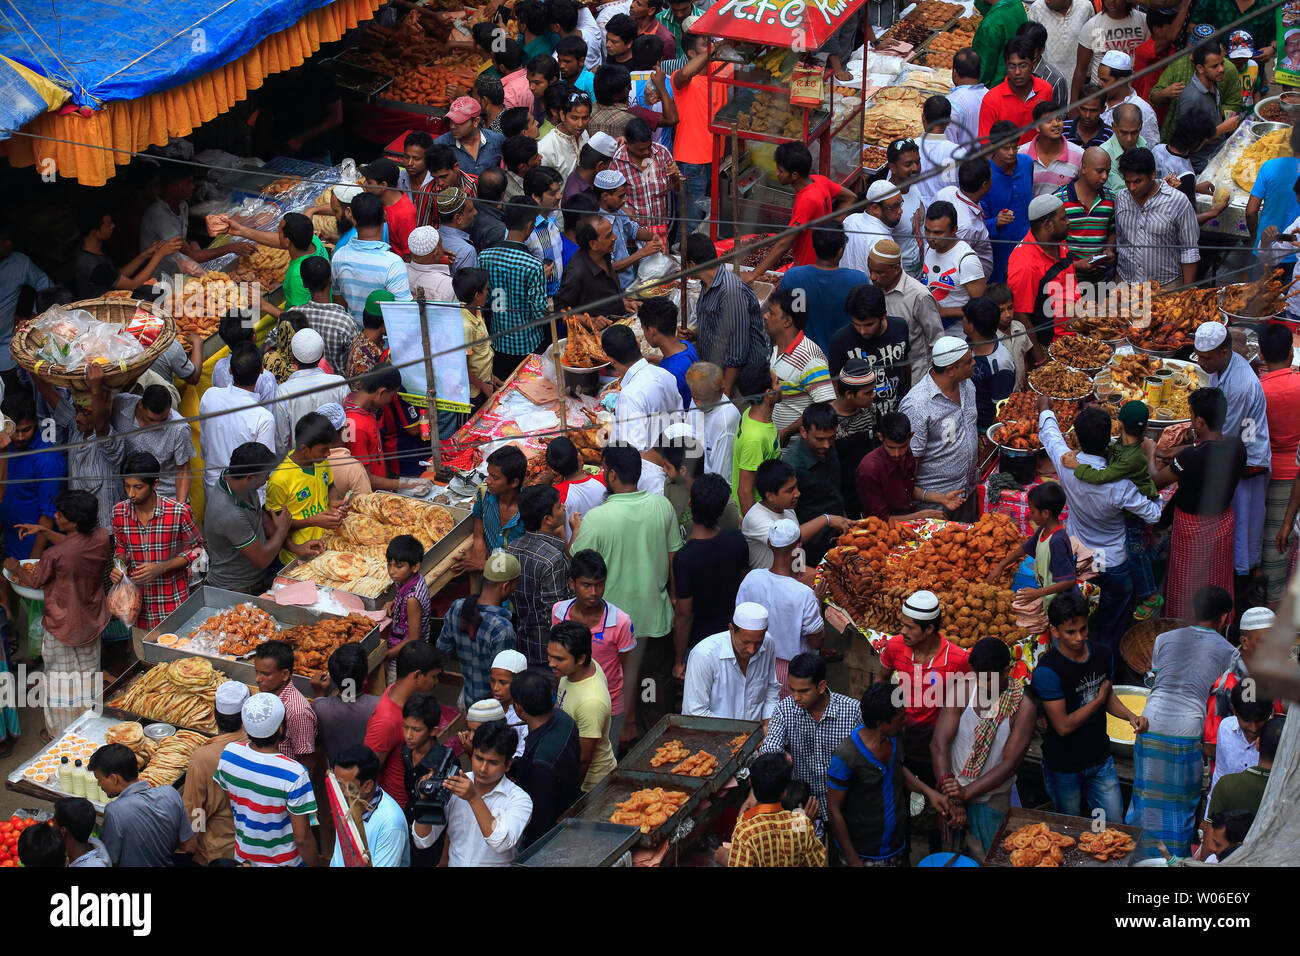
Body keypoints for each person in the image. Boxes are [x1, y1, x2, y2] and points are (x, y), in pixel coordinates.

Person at [1037, 395, 1163, 652]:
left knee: (1084, 618)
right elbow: (1153, 515)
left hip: (1082, 559)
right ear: (1109, 438)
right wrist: (1157, 498)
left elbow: (1050, 436)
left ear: (1078, 439)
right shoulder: (1121, 485)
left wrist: (1045, 410)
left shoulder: (1066, 464)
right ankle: (1106, 667)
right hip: (1114, 564)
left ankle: (1081, 657)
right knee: (1110, 627)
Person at [571, 443, 680, 734]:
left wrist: (572, 531)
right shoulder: (662, 506)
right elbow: (674, 561)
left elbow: (576, 561)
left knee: (614, 694)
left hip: (614, 629)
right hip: (655, 622)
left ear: (612, 474)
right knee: (653, 691)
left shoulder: (596, 519)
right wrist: (674, 598)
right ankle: (655, 743)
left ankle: (624, 749)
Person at [1127, 585, 1237, 858]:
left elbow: (1153, 681)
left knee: (1145, 798)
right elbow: (1220, 702)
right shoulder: (1228, 652)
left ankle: (1138, 859)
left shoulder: (1164, 638)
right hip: (1187, 730)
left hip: (1150, 722)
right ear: (1224, 618)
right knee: (1179, 806)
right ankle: (1173, 862)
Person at [1031, 591, 1145, 826]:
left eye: (1083, 629)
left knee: (1112, 824)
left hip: (1100, 760)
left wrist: (1131, 717)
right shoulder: (1047, 671)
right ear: (1055, 631)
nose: (1079, 637)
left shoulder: (1102, 654)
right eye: (1070, 632)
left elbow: (1109, 697)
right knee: (1071, 826)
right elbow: (1062, 726)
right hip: (1064, 767)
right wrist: (1097, 700)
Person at [4, 491, 109, 737]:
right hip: (92, 619)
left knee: (60, 683)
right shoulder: (102, 537)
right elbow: (76, 544)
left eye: (60, 514)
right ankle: (89, 729)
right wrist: (42, 531)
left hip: (63, 625)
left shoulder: (54, 555)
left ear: (72, 522)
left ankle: (60, 734)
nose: (55, 516)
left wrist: (14, 566)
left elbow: (34, 581)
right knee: (87, 678)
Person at [827, 681, 956, 866]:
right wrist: (852, 858)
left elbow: (898, 770)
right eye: (900, 718)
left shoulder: (894, 738)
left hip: (896, 847)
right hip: (864, 854)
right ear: (881, 723)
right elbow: (834, 810)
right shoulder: (845, 756)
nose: (906, 721)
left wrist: (929, 792)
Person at [932, 638, 1038, 856]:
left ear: (1006, 672)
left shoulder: (1023, 708)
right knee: (952, 857)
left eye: (988, 679)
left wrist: (966, 793)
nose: (981, 685)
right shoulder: (964, 689)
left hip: (991, 800)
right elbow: (939, 744)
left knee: (988, 856)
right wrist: (952, 795)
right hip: (953, 795)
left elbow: (1008, 766)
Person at [1150, 387, 1247, 620]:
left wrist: (1149, 451)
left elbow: (1155, 482)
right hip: (1221, 523)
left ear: (1201, 422)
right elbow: (1206, 448)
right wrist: (1177, 451)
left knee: (1185, 583)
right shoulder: (1237, 447)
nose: (1191, 421)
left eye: (1192, 417)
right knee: (1217, 576)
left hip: (1192, 529)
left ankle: (1183, 625)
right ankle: (1219, 621)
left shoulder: (1191, 459)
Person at [1196, 322, 1271, 591]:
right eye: (1199, 357)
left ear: (1224, 352)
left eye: (1206, 358)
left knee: (1243, 525)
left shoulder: (1239, 386)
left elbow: (1221, 434)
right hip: (1234, 453)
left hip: (1248, 460)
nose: (1201, 363)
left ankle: (1242, 580)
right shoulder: (1223, 366)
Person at [213, 692, 320, 866]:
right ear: (280, 729)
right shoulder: (295, 773)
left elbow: (232, 806)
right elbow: (302, 838)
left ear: (246, 727)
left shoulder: (229, 754)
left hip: (244, 858)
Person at [760, 652, 860, 835]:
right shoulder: (784, 710)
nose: (796, 697)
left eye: (803, 691)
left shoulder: (852, 711)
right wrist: (780, 761)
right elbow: (770, 750)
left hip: (845, 804)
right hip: (802, 806)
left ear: (821, 686)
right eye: (792, 689)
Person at [412, 723, 532, 866]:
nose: (482, 768)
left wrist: (474, 798)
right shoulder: (454, 785)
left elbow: (501, 843)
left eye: (493, 762)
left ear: (507, 765)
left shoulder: (519, 800)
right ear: (472, 753)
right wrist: (426, 801)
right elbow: (423, 840)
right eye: (479, 758)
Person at [110, 451, 204, 630]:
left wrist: (162, 567)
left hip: (172, 603)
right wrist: (119, 567)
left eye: (138, 487)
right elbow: (121, 549)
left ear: (155, 483)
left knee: (176, 656)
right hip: (137, 607)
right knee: (144, 654)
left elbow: (197, 550)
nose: (131, 494)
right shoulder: (119, 513)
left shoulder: (178, 512)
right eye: (127, 486)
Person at [552, 549, 636, 745]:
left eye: (599, 585)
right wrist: (559, 699)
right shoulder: (559, 612)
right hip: (570, 703)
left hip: (609, 707)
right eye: (586, 585)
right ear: (572, 584)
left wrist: (629, 720)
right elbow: (557, 661)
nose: (594, 592)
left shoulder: (620, 622)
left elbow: (630, 671)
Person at [672, 471, 749, 671]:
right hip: (732, 639)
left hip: (699, 645)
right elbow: (743, 584)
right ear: (722, 509)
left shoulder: (684, 558)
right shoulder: (737, 540)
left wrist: (679, 660)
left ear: (690, 504)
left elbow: (684, 615)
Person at [737, 519, 823, 696]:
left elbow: (739, 625)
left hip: (755, 665)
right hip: (793, 674)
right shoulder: (804, 594)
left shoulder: (751, 579)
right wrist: (818, 601)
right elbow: (817, 641)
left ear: (769, 543)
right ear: (798, 546)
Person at [745, 141, 856, 278]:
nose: (776, 173)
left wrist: (754, 274)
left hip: (809, 268)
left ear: (794, 175)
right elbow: (850, 197)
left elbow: (785, 242)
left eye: (780, 170)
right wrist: (831, 226)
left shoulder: (807, 200)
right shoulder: (820, 181)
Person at [898, 335, 977, 518]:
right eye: (968, 361)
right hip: (935, 503)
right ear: (951, 370)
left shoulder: (967, 385)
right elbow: (909, 464)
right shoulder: (917, 405)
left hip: (968, 492)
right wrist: (929, 499)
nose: (973, 363)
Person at [686, 234, 769, 397]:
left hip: (738, 381)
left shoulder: (731, 292)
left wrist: (726, 392)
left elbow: (737, 351)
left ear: (691, 265)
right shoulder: (707, 284)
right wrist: (695, 333)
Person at [508, 668, 582, 847]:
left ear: (518, 708)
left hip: (549, 836)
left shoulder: (540, 764)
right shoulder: (564, 719)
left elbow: (538, 820)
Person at [478, 196, 548, 381]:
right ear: (530, 225)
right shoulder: (533, 265)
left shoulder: (484, 257)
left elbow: (484, 300)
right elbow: (539, 312)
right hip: (527, 344)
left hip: (497, 341)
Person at [90, 742, 195, 866]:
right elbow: (189, 846)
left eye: (99, 779)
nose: (99, 785)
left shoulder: (115, 812)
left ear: (114, 778)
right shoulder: (170, 793)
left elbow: (110, 860)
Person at [365, 641, 442, 809]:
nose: (436, 682)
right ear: (417, 676)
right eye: (433, 676)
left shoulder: (398, 692)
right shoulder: (387, 721)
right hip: (399, 806)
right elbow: (367, 772)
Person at [987, 480, 1080, 616]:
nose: (1030, 515)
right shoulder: (1043, 530)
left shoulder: (1056, 541)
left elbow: (1068, 581)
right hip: (1051, 599)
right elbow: (1025, 548)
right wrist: (1000, 565)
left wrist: (1037, 593)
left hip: (1065, 606)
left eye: (1033, 511)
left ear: (1046, 514)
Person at [265, 411, 344, 567]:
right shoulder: (280, 480)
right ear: (304, 449)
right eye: (323, 449)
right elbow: (274, 527)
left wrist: (334, 502)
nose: (328, 454)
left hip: (326, 547)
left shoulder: (320, 461)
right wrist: (313, 521)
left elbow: (330, 486)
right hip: (297, 556)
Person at [182, 681, 248, 865]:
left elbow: (195, 807)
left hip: (216, 850)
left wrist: (192, 842)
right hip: (251, 847)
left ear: (214, 715)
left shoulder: (203, 757)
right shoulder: (259, 745)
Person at [1115, 147, 1200, 288]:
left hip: (1165, 287)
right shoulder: (1121, 198)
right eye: (1127, 182)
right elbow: (1120, 239)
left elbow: (1189, 250)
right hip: (1126, 285)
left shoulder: (1177, 201)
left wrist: (1187, 292)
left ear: (1153, 175)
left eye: (1137, 181)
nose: (1132, 188)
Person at [438, 550, 520, 696]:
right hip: (491, 707)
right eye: (514, 585)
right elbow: (503, 680)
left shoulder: (457, 607)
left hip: (468, 696)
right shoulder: (502, 629)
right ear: (506, 586)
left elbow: (443, 648)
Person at [507, 485, 573, 664]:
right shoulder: (553, 560)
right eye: (559, 507)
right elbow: (556, 613)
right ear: (548, 519)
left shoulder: (513, 547)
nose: (564, 509)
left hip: (523, 641)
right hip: (547, 651)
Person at [198, 341, 275, 493]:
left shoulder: (210, 396)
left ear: (230, 370)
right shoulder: (263, 418)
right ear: (261, 370)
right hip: (246, 495)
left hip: (214, 485)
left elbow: (204, 443)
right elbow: (264, 469)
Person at [741, 459, 847, 570]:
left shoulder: (787, 509)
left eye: (796, 487)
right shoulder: (756, 518)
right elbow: (788, 540)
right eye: (790, 490)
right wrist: (826, 519)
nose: (797, 493)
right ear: (770, 496)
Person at [683, 602, 780, 723]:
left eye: (758, 643)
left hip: (755, 734)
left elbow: (771, 688)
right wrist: (738, 734)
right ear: (731, 630)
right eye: (745, 642)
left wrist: (768, 721)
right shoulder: (704, 655)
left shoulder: (768, 643)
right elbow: (694, 713)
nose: (752, 650)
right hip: (711, 736)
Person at [548, 621, 618, 789]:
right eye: (549, 656)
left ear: (581, 658)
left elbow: (583, 760)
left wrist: (569, 795)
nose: (551, 663)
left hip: (592, 786)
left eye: (559, 659)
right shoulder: (576, 669)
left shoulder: (591, 703)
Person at [726, 751, 827, 867]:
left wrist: (725, 858)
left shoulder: (744, 832)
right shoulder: (801, 823)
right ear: (784, 793)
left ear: (750, 783)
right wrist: (810, 823)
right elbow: (815, 861)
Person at [1258, 326, 1300, 602]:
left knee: (1276, 545)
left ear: (1261, 354)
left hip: (1275, 475)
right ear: (1291, 353)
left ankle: (1272, 603)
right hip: (1296, 473)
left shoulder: (1259, 390)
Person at [856, 411, 958, 522]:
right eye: (891, 447)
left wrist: (942, 498)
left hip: (907, 520)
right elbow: (879, 520)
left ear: (911, 436)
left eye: (902, 447)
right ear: (880, 437)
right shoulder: (869, 470)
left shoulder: (907, 455)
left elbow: (905, 489)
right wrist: (923, 515)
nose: (897, 454)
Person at [0, 392, 67, 562]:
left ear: (36, 423)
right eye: (15, 431)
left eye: (26, 430)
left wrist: (33, 562)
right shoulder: (5, 447)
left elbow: (47, 517)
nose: (20, 437)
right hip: (11, 539)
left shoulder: (47, 459)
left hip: (34, 546)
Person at [764, 288, 836, 441]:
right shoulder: (774, 348)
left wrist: (786, 432)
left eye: (771, 313)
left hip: (796, 450)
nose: (765, 316)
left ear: (788, 321)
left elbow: (826, 406)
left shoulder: (810, 358)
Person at [1007, 193, 1078, 343]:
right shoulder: (1025, 264)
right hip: (1053, 345)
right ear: (1048, 225)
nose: (1068, 222)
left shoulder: (1058, 240)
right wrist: (1040, 360)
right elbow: (1021, 316)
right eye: (1063, 218)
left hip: (1076, 332)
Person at [330, 192, 411, 324]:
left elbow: (340, 303)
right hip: (384, 341)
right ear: (384, 216)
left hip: (354, 337)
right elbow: (402, 313)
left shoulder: (338, 257)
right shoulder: (393, 264)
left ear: (351, 216)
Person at [782, 403, 847, 565]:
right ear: (803, 432)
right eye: (820, 439)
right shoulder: (792, 466)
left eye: (831, 438)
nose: (826, 445)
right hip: (811, 549)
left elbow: (835, 490)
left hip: (838, 537)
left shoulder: (827, 447)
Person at [270, 329, 348, 458]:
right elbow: (348, 426)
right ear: (322, 354)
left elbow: (281, 441)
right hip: (337, 457)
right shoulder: (339, 383)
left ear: (293, 357)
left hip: (303, 463)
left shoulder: (284, 391)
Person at [327, 746, 409, 867]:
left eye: (346, 786)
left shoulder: (391, 823)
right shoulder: (344, 801)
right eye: (337, 783)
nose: (339, 790)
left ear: (368, 786)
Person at [603, 323, 681, 449]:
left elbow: (633, 450)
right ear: (638, 344)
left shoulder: (629, 396)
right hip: (673, 452)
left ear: (611, 360)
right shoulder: (666, 375)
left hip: (651, 463)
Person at [73, 206, 179, 298]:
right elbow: (133, 285)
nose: (113, 226)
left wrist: (145, 254)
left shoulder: (93, 252)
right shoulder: (92, 264)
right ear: (94, 233)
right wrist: (159, 255)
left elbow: (118, 275)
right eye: (108, 225)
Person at [1055, 146, 1117, 285]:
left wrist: (1109, 248)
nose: (1104, 177)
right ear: (1083, 168)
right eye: (1100, 171)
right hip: (1068, 282)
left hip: (1101, 281)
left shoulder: (1110, 198)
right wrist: (1076, 265)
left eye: (1107, 172)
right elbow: (1050, 245)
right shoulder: (1060, 200)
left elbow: (1112, 231)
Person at [461, 445, 527, 575]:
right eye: (488, 474)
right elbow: (478, 515)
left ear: (514, 482)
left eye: (495, 477)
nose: (488, 481)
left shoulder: (529, 511)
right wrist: (479, 540)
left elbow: (527, 559)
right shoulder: (484, 491)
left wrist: (485, 565)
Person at [1204, 716, 1283, 824]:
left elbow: (1210, 835)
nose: (1253, 729)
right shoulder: (1289, 790)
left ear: (1258, 744)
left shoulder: (1226, 786)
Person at [311, 644, 380, 766]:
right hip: (368, 775)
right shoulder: (378, 705)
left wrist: (319, 692)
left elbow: (318, 706)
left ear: (331, 677)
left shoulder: (321, 708)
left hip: (338, 776)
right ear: (365, 676)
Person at [984, 118, 1035, 283]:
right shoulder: (985, 176)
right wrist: (995, 222)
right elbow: (977, 223)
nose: (1011, 152)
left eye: (1015, 147)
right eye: (1006, 148)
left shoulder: (1027, 163)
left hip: (1028, 246)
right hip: (999, 252)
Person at [978, 38, 1054, 147]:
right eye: (1012, 66)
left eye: (1023, 66)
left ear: (1033, 65)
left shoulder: (1045, 90)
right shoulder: (991, 99)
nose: (1017, 72)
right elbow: (986, 146)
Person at [611, 118, 679, 241]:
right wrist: (622, 209)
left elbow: (676, 189)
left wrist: (676, 178)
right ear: (627, 144)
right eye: (640, 149)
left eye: (649, 146)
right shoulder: (616, 162)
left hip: (660, 231)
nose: (646, 152)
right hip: (630, 235)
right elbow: (608, 198)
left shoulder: (662, 153)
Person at [1208, 682, 1274, 807]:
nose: (1253, 729)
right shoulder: (1225, 728)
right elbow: (1220, 774)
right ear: (1234, 711)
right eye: (1247, 721)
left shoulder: (1277, 736)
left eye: (1259, 721)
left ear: (1269, 714)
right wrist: (1209, 817)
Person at [1176, 44, 1240, 172]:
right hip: (1203, 162)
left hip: (1218, 150)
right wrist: (1224, 128)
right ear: (1200, 68)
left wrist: (1220, 114)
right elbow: (1191, 143)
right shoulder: (1192, 98)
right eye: (1215, 66)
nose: (1221, 69)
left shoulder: (1212, 83)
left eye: (1222, 63)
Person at [251, 640, 317, 765]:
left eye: (265, 674)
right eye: (256, 672)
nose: (257, 679)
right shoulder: (264, 696)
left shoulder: (298, 712)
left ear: (285, 674)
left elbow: (306, 762)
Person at [921, 201, 987, 326]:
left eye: (938, 233)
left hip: (958, 336)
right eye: (927, 230)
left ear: (954, 230)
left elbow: (981, 307)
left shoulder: (966, 260)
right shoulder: (928, 248)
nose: (930, 237)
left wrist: (945, 312)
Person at [1072, 0, 1149, 101]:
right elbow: (1081, 69)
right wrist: (1074, 105)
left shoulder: (1143, 21)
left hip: (1136, 94)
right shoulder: (1094, 26)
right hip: (1101, 98)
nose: (1112, 1)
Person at [342, 362, 403, 484]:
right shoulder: (355, 426)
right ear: (381, 392)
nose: (390, 401)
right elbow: (363, 477)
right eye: (391, 397)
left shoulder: (364, 409)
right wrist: (404, 484)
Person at [934, 159, 995, 277]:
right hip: (968, 282)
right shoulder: (967, 227)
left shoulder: (947, 192)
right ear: (985, 185)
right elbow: (950, 262)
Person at [962, 297, 1015, 431]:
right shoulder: (970, 342)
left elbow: (1001, 412)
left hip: (983, 429)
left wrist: (988, 449)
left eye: (965, 318)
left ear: (971, 326)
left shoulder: (1000, 365)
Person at [554, 215, 625, 315]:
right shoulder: (576, 272)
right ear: (593, 244)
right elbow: (559, 308)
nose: (615, 237)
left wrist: (622, 303)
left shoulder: (605, 255)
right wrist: (588, 321)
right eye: (609, 236)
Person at [450, 268, 496, 416]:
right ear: (477, 295)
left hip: (484, 383)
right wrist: (483, 385)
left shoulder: (476, 311)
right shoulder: (465, 327)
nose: (487, 293)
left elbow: (481, 353)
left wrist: (490, 378)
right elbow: (460, 367)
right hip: (473, 394)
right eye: (486, 290)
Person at [545, 436, 606, 545]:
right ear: (580, 459)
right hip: (605, 544)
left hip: (575, 551)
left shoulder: (556, 495)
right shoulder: (603, 481)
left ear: (554, 469)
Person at [639, 299, 697, 410]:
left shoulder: (669, 375)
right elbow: (674, 362)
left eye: (643, 330)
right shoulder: (686, 346)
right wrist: (651, 358)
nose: (644, 334)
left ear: (651, 330)